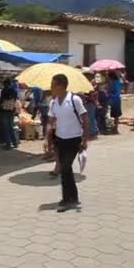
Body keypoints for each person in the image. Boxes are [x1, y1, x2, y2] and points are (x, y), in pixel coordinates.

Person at [48, 74, 89, 212]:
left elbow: (84, 119)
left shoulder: (74, 99)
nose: (51, 88)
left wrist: (85, 138)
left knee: (65, 167)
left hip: (74, 139)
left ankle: (67, 200)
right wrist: (48, 138)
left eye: (53, 85)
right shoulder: (53, 102)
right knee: (66, 168)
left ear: (60, 86)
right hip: (60, 139)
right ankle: (73, 197)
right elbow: (52, 121)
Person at [0, 78, 18, 150]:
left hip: (4, 111)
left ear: (5, 84)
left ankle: (8, 144)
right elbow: (15, 100)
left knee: (6, 128)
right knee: (11, 127)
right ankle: (15, 143)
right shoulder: (14, 91)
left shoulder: (4, 90)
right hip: (11, 110)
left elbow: (1, 100)